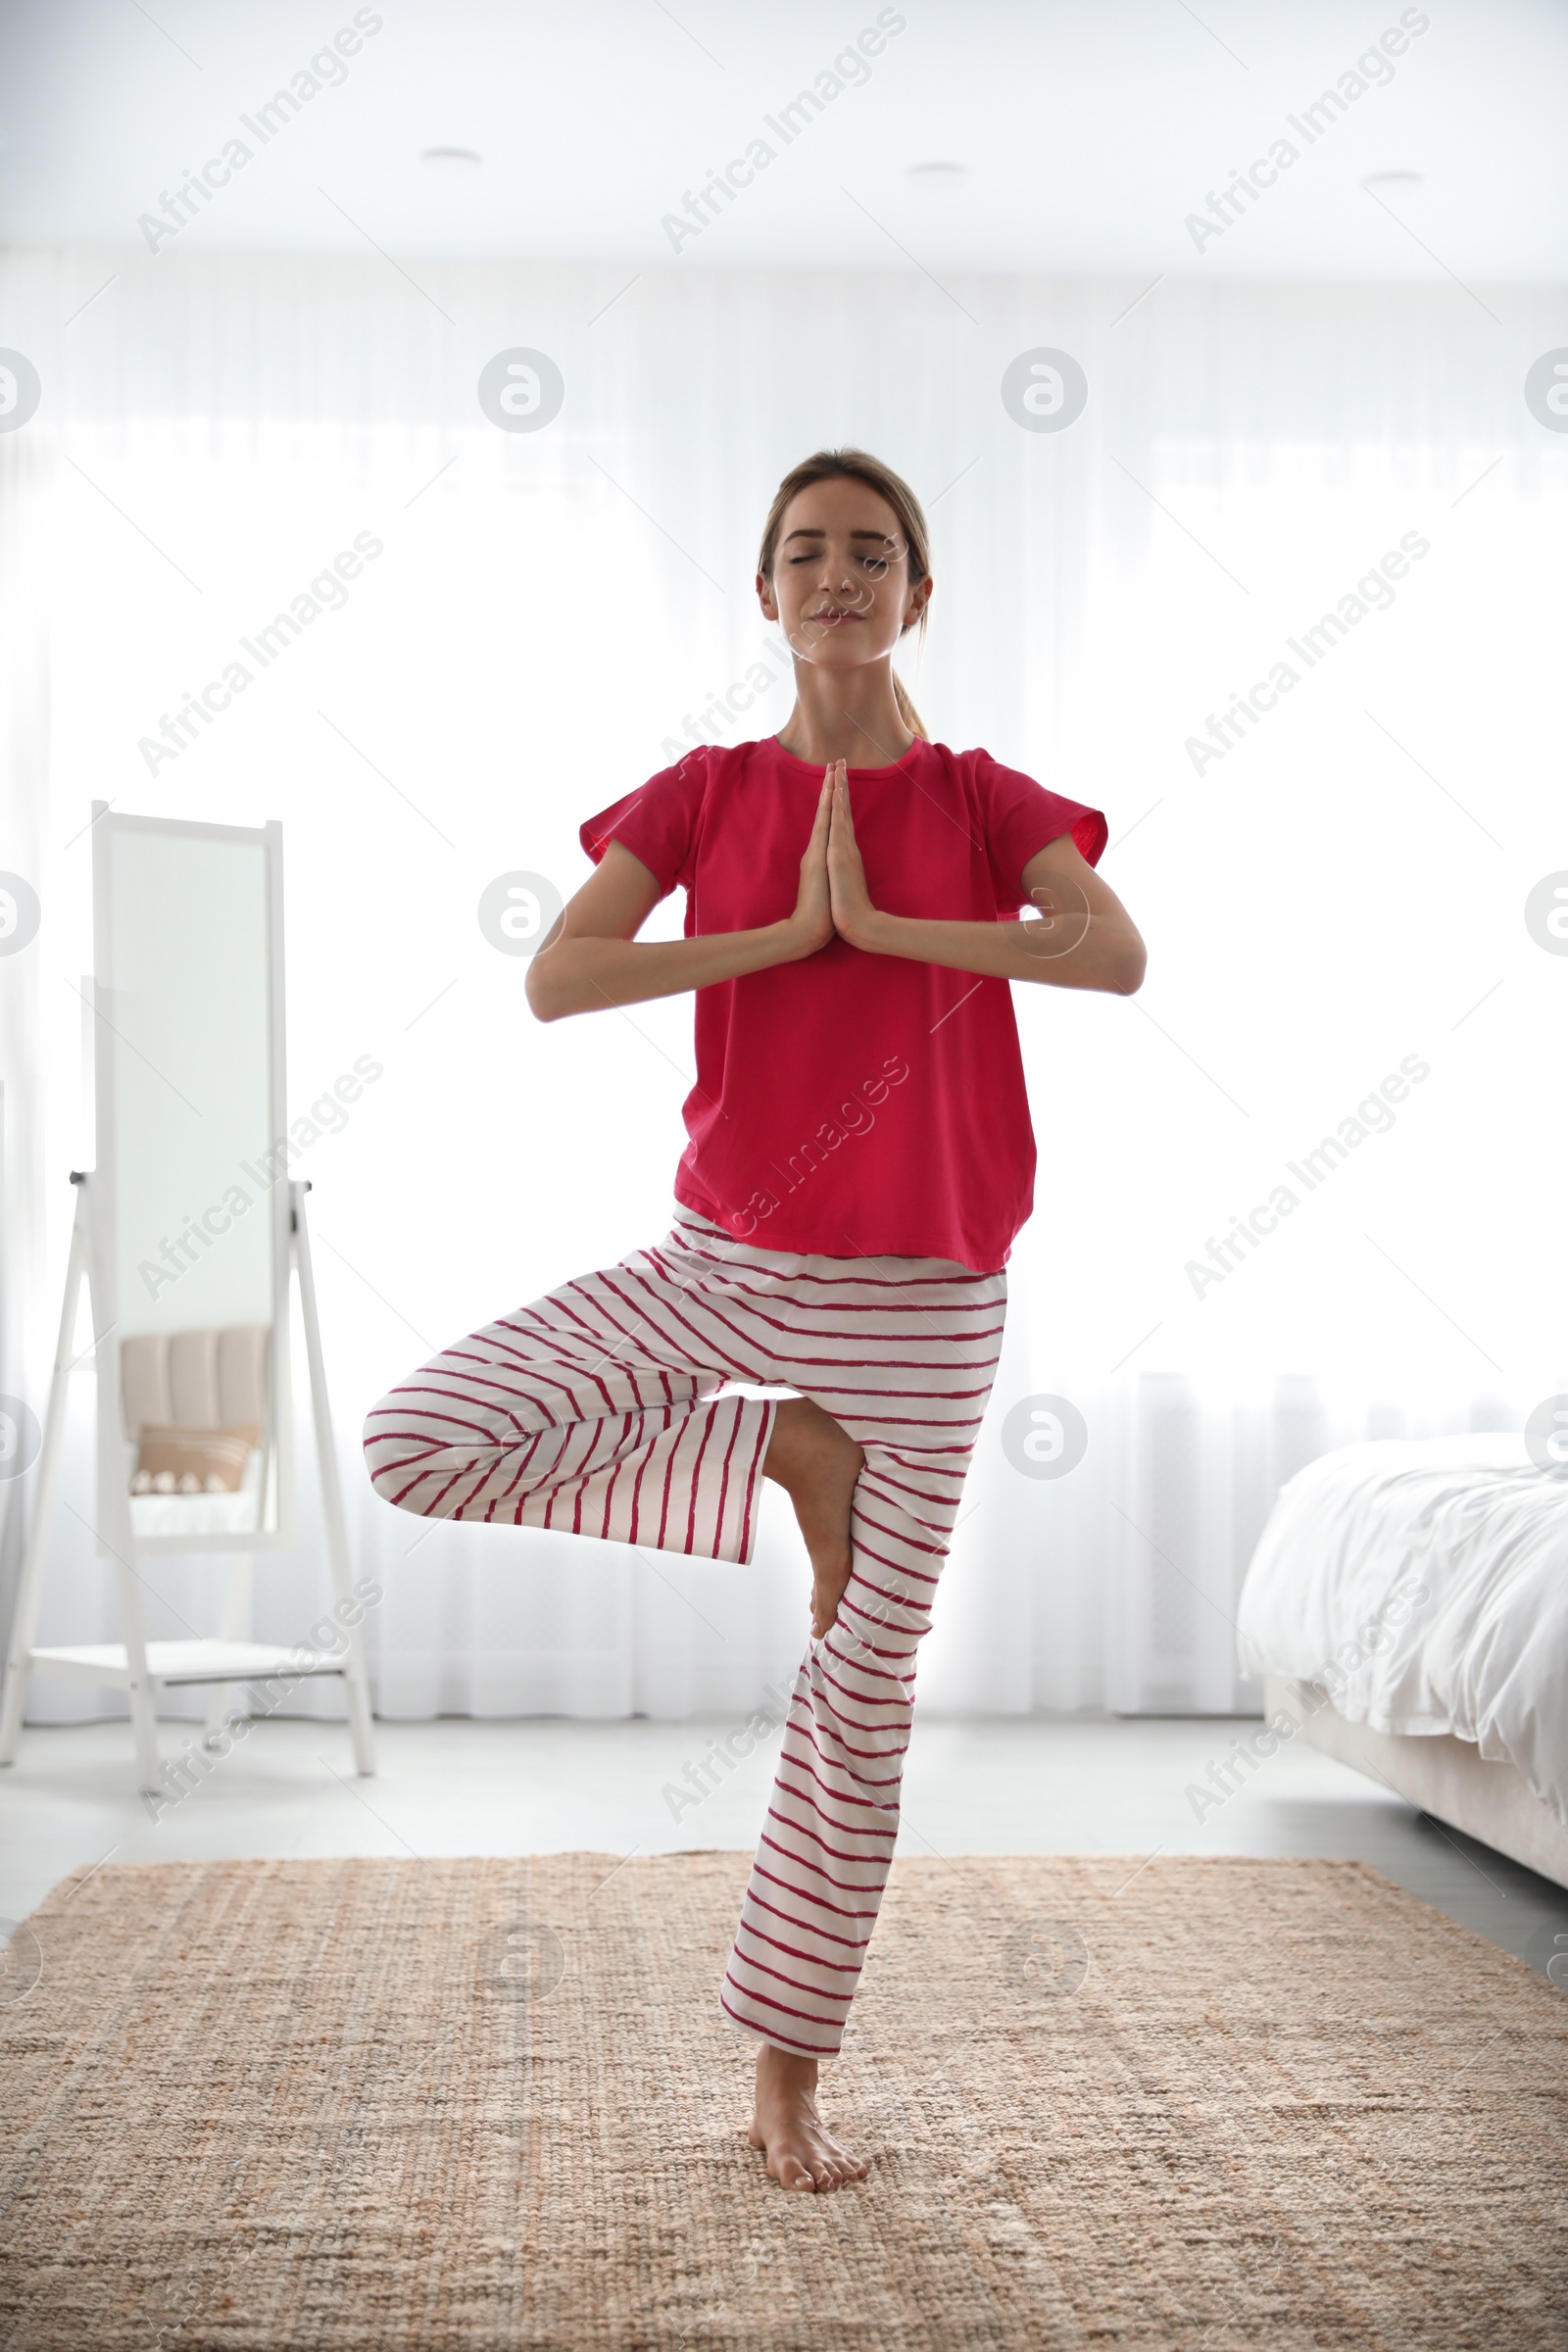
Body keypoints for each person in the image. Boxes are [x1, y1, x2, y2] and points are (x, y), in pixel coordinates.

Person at [364, 447, 1146, 2192]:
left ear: (919, 595)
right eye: (807, 553)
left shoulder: (978, 793)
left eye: (874, 552)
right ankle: (781, 1456)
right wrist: (787, 935)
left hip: (933, 1297)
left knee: (859, 1695)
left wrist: (896, 921)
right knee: (416, 1438)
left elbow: (1113, 953)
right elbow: (558, 976)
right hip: (729, 1255)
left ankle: (787, 2074)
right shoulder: (705, 792)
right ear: (768, 595)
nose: (840, 575)